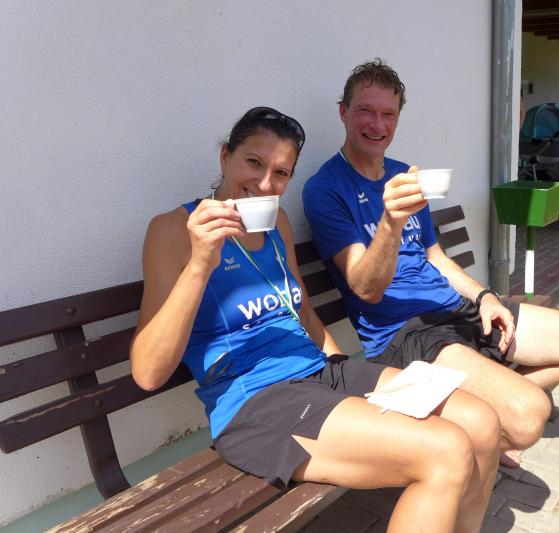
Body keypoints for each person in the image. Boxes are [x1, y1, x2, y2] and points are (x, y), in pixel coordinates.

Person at [130, 106, 502, 532]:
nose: (265, 184)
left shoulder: (276, 222)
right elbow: (147, 372)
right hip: (256, 402)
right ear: (225, 157)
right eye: (253, 162)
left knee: (482, 423)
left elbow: (303, 312)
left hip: (320, 373)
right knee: (446, 450)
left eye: (281, 173)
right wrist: (200, 265)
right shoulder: (173, 230)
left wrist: (347, 376)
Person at [303, 59, 559, 467]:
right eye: (366, 110)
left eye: (388, 114)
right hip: (405, 333)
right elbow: (365, 288)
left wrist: (486, 297)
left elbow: (436, 258)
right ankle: (497, 416)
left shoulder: (404, 174)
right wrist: (391, 223)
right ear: (344, 112)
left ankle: (493, 408)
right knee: (528, 420)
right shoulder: (325, 189)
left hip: (455, 309)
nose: (377, 124)